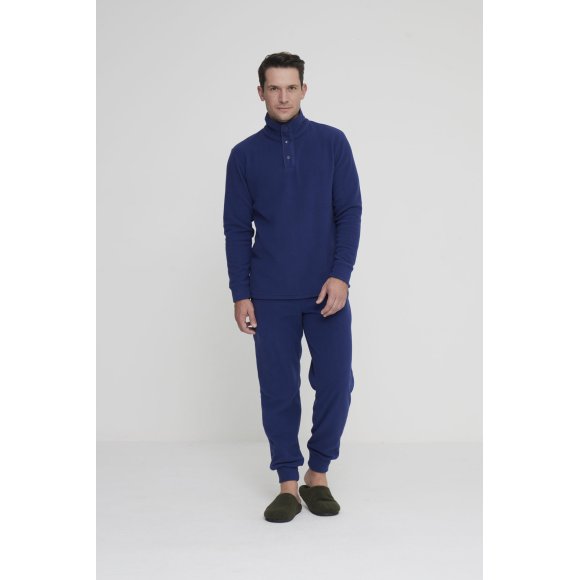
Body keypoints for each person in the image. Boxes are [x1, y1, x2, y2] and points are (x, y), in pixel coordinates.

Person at [222, 51, 363, 523]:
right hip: (270, 293)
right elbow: (236, 228)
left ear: (304, 89)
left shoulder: (332, 143)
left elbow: (349, 212)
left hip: (326, 291)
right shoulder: (244, 155)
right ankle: (287, 481)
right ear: (260, 92)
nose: (283, 96)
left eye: (291, 87)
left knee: (337, 382)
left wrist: (341, 274)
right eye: (274, 88)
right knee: (278, 389)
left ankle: (317, 474)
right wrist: (240, 293)